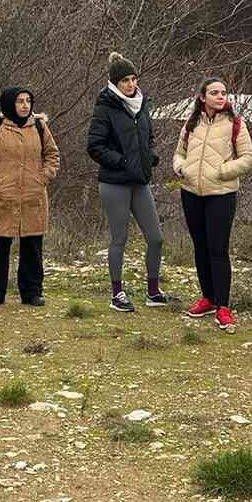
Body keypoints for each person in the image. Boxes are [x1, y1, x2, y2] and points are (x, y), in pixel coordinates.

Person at [87, 51, 170, 312]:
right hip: (114, 183)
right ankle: (117, 295)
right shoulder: (105, 107)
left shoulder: (142, 104)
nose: (131, 84)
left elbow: (149, 138)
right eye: (125, 80)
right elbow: (95, 146)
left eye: (134, 79)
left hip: (140, 181)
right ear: (115, 82)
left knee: (156, 238)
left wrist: (149, 157)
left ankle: (153, 292)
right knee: (119, 239)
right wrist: (122, 162)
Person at [172, 78, 252, 332]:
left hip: (221, 195)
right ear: (202, 97)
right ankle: (208, 298)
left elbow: (248, 158)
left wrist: (222, 171)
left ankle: (223, 306)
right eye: (214, 92)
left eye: (223, 93)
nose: (221, 97)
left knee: (217, 249)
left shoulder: (235, 123)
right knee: (200, 248)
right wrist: (181, 168)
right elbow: (179, 153)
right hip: (191, 193)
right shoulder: (191, 122)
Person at [0, 86, 60, 307]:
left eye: (28, 101)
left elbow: (52, 154)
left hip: (33, 195)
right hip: (2, 196)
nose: (25, 105)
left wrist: (43, 177)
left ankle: (32, 292)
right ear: (10, 103)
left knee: (32, 245)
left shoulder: (39, 126)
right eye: (20, 101)